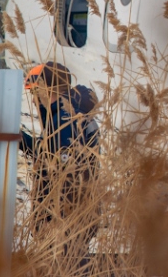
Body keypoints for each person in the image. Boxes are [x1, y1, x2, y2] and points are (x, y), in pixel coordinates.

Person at [20, 62, 99, 266]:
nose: (34, 99)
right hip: (77, 218)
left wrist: (48, 219)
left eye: (35, 92)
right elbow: (52, 151)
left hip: (64, 221)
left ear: (47, 89)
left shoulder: (63, 120)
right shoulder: (72, 114)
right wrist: (24, 141)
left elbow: (62, 169)